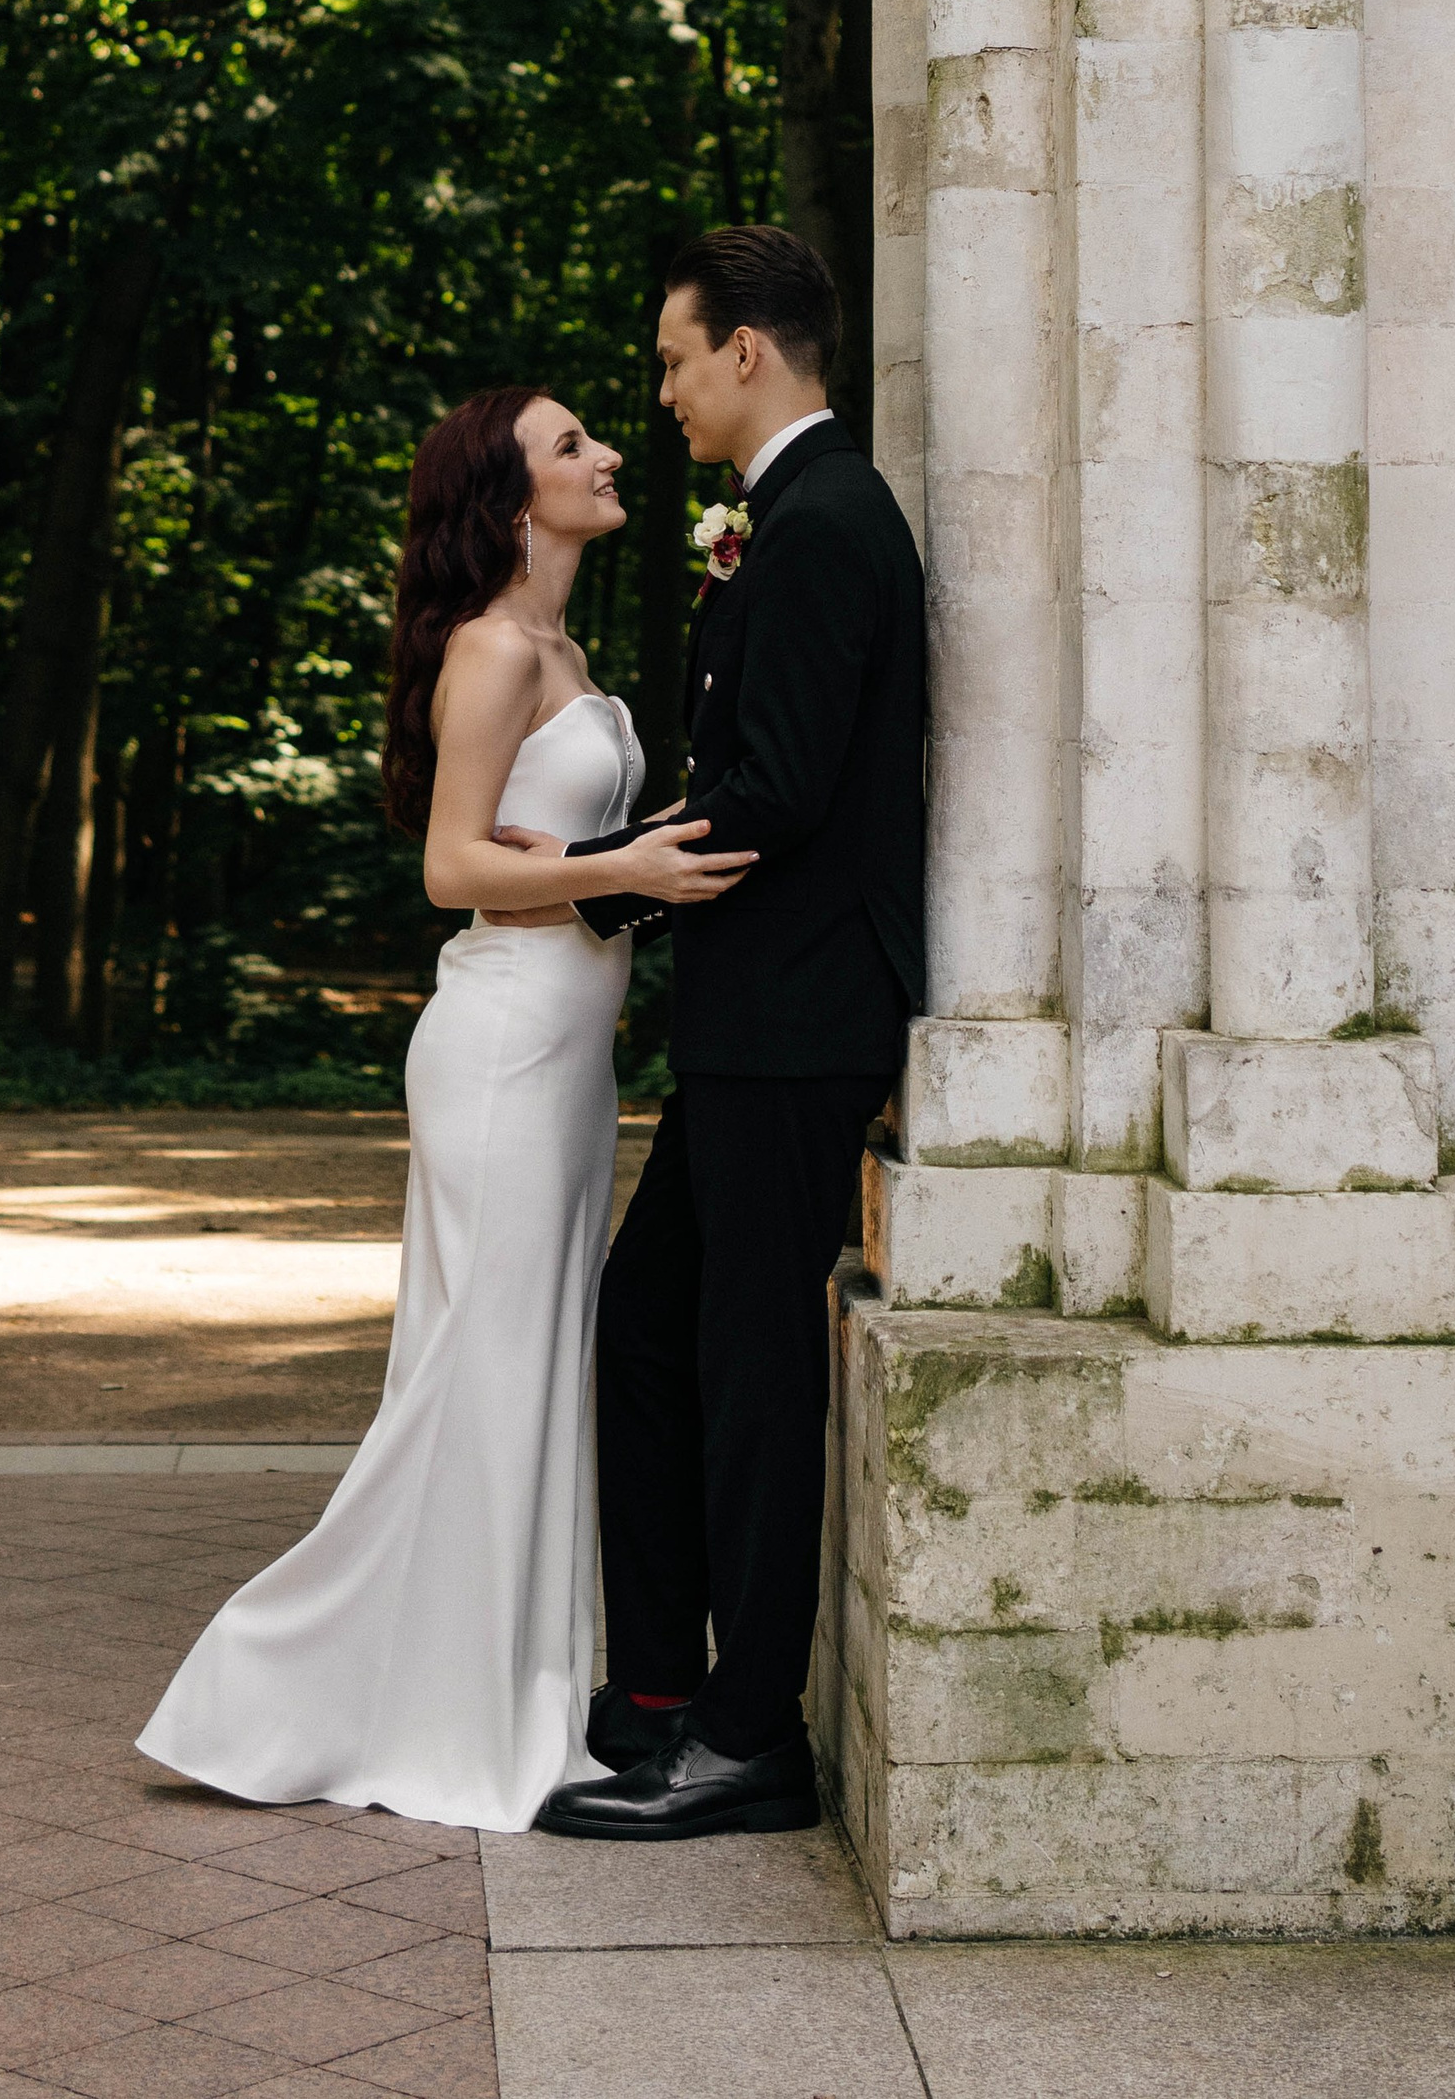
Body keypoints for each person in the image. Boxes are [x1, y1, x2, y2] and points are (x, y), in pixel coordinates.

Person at [136, 387, 752, 1831]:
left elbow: (563, 845)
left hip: (565, 1047)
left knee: (532, 1371)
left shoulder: (567, 647)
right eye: (569, 446)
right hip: (498, 1047)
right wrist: (623, 874)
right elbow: (448, 866)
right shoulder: (488, 647)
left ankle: (513, 1698)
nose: (607, 455)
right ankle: (277, 1686)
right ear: (509, 495)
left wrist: (625, 855)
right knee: (476, 1374)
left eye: (596, 437)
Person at [522, 225, 928, 1842]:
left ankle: (751, 1733)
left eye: (679, 357)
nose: (667, 388)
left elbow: (777, 788)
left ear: (748, 349)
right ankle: (665, 1691)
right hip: (755, 1014)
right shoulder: (785, 517)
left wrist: (592, 893)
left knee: (755, 1364)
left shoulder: (827, 522)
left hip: (803, 1005)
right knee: (651, 1325)